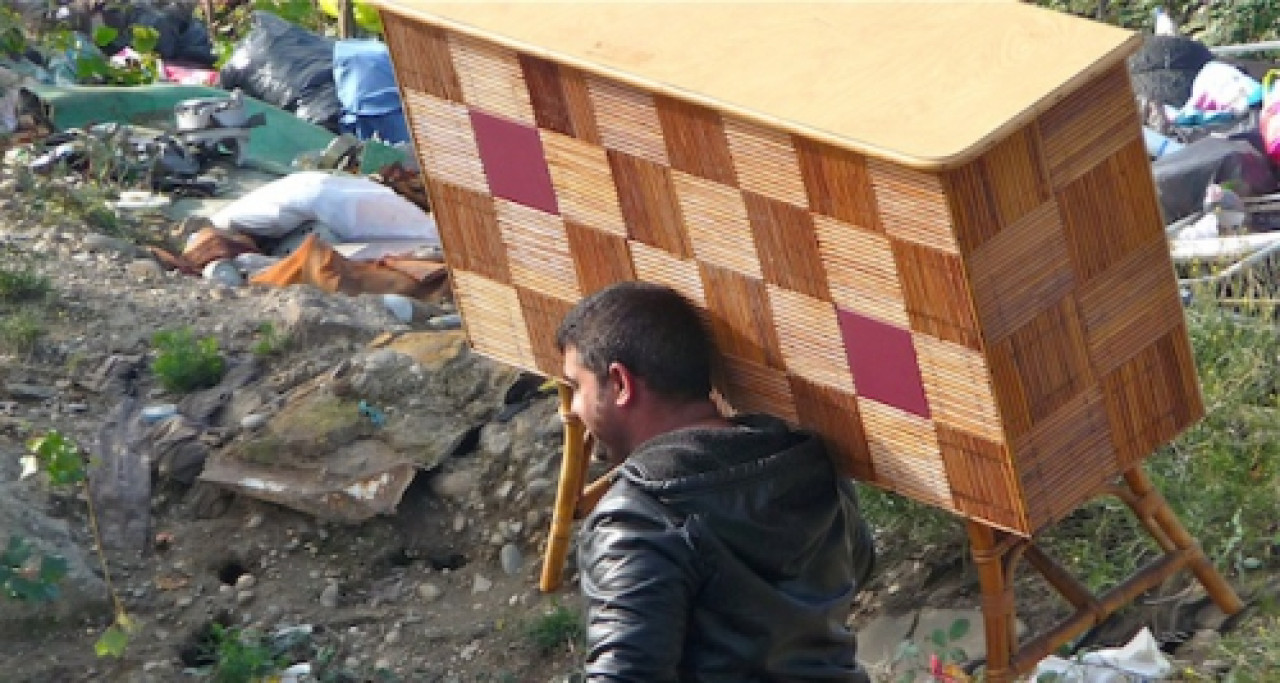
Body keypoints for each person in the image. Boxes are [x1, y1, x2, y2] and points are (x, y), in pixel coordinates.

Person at [556, 281, 876, 682]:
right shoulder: (809, 462)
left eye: (576, 387)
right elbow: (858, 566)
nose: (572, 409)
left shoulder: (639, 519)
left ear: (619, 383)